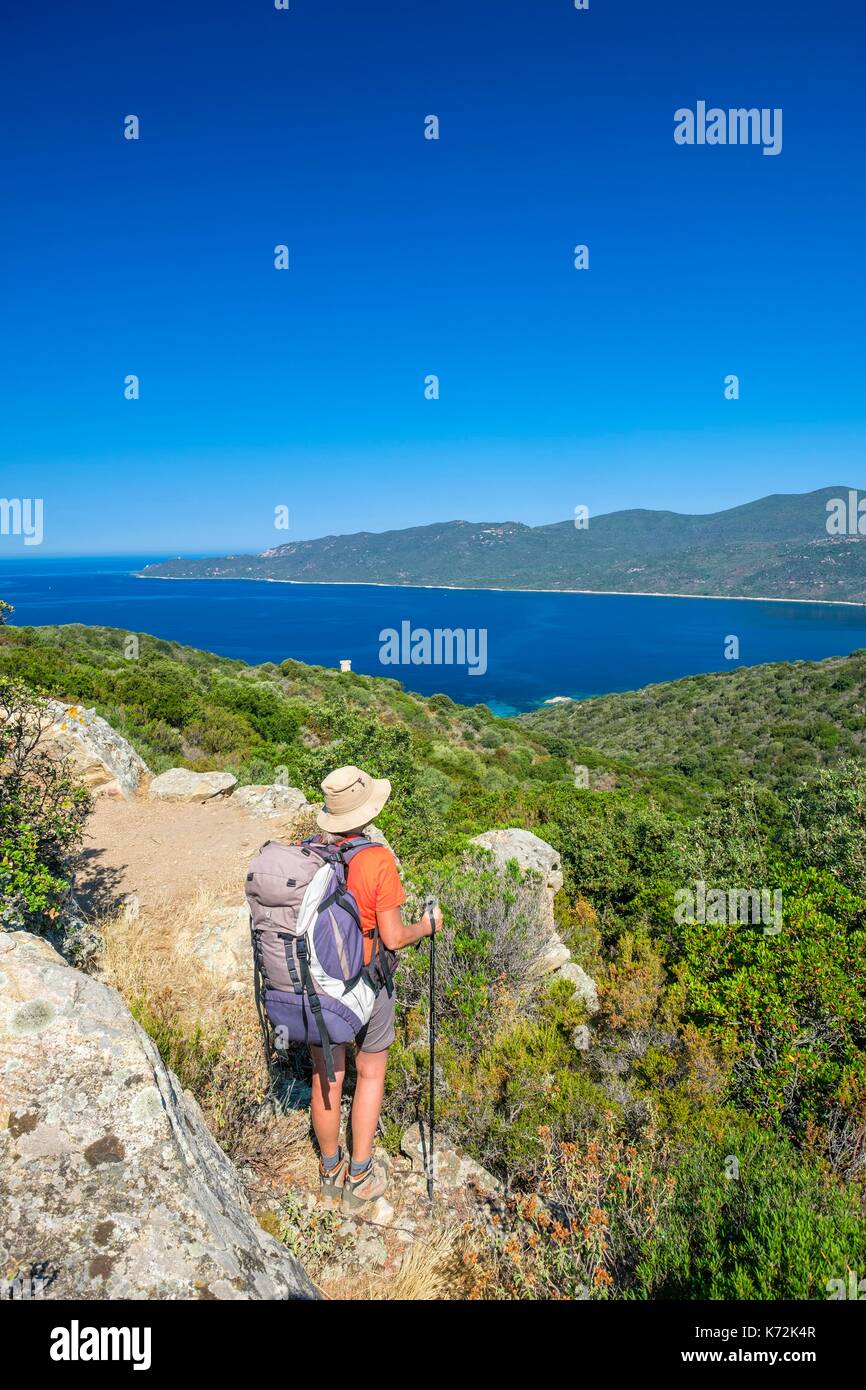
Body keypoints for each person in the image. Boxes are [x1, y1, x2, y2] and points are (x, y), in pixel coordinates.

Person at [310, 764, 442, 1213]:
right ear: (367, 812)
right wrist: (426, 926)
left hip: (317, 987)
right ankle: (360, 1176)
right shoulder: (378, 859)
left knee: (328, 1074)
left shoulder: (312, 855)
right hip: (366, 985)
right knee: (369, 1072)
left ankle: (329, 1171)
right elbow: (392, 938)